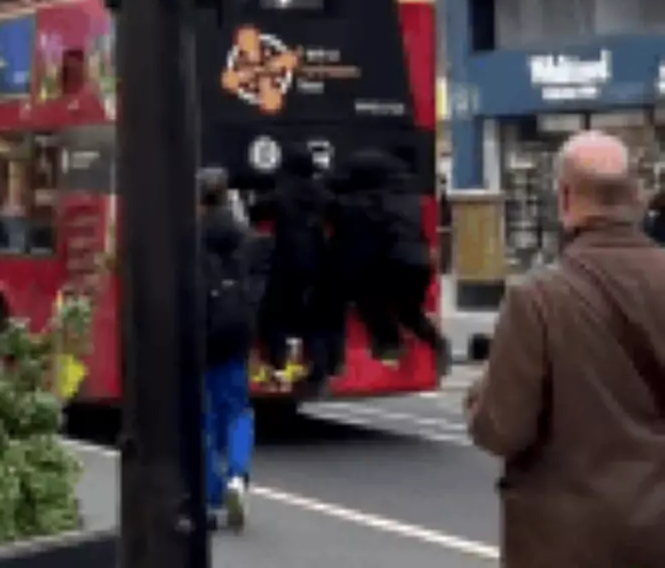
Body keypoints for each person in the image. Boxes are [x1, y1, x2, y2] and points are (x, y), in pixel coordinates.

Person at [465, 131, 665, 567]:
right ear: (635, 197)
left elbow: (503, 430)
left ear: (565, 197)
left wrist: (478, 397)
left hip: (567, 541)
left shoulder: (538, 299)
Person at [198, 166, 269, 532]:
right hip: (237, 334)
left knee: (205, 419)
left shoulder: (190, 240)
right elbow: (258, 291)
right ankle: (238, 476)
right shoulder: (249, 239)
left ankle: (210, 498)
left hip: (202, 336)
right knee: (237, 411)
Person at [335, 150, 449, 373]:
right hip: (419, 263)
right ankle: (437, 344)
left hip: (390, 262)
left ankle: (390, 346)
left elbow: (358, 242)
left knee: (368, 299)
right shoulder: (409, 199)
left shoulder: (359, 203)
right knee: (409, 312)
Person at [257, 147, 330, 382]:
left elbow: (256, 212)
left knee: (273, 314)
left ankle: (278, 362)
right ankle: (318, 368)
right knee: (314, 318)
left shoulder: (281, 194)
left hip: (286, 263)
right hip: (317, 264)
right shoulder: (323, 194)